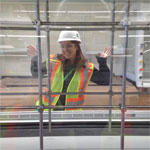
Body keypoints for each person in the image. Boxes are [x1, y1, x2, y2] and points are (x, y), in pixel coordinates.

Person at [27, 31, 110, 111]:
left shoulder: (86, 67)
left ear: (76, 47)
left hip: (71, 114)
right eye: (62, 46)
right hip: (47, 110)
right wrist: (35, 58)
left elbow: (105, 81)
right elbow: (36, 74)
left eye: (69, 45)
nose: (65, 49)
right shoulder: (53, 61)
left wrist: (102, 61)